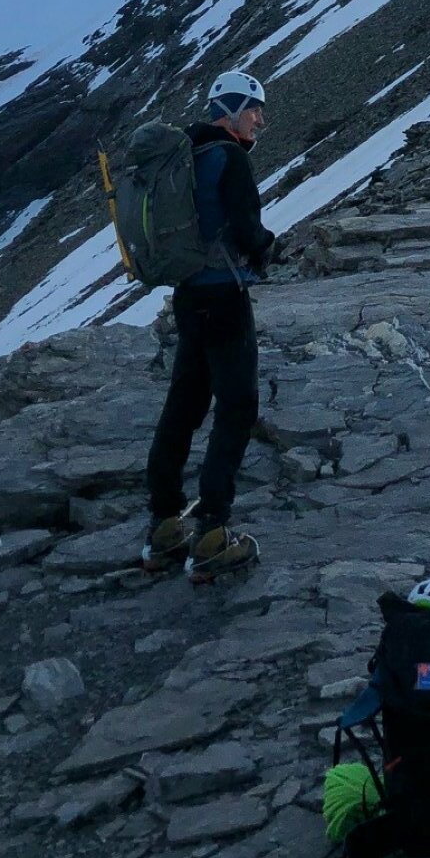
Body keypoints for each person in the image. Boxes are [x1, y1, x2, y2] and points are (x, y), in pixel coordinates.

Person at [142, 66, 275, 583]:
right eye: (254, 110)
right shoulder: (230, 157)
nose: (259, 120)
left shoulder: (186, 154)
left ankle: (163, 526)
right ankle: (214, 533)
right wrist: (267, 247)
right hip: (225, 296)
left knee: (185, 403)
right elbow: (246, 229)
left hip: (189, 294)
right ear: (233, 111)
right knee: (237, 406)